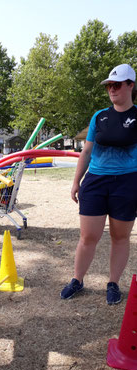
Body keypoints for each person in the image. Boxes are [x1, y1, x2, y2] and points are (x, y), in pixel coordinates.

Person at [60, 63, 137, 305]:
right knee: (88, 236)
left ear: (131, 85)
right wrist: (76, 181)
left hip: (127, 182)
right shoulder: (99, 116)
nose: (111, 90)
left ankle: (113, 283)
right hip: (95, 181)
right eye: (109, 86)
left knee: (120, 237)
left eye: (117, 85)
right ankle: (77, 280)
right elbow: (86, 152)